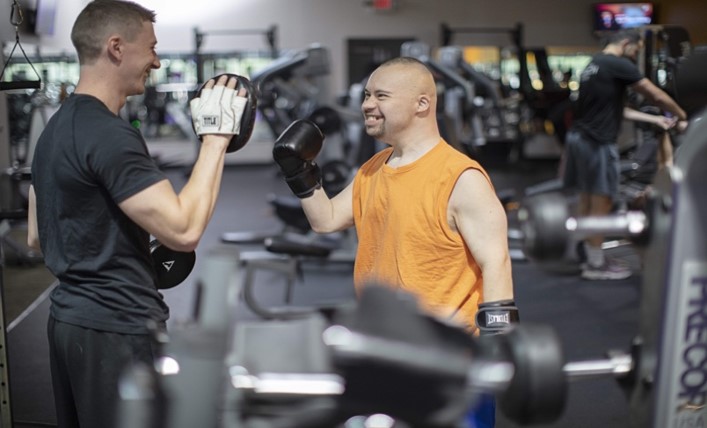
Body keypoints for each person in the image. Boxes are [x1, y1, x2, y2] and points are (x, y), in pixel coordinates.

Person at [26, 1, 250, 427]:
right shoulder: (109, 135)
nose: (157, 61)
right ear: (116, 47)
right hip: (116, 326)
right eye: (151, 48)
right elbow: (183, 231)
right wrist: (216, 139)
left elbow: (37, 236)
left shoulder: (55, 128)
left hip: (68, 324)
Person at [272, 57, 517, 428]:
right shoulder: (374, 168)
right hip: (383, 348)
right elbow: (325, 221)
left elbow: (496, 262)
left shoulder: (461, 177)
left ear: (422, 103)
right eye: (367, 95)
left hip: (446, 359)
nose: (368, 104)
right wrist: (300, 173)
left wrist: (498, 344)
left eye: (381, 95)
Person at [562, 29, 688, 281]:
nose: (636, 55)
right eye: (637, 50)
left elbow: (620, 111)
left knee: (587, 199)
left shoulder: (593, 64)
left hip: (580, 138)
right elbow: (656, 94)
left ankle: (589, 255)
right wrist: (682, 116)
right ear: (628, 44)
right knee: (602, 200)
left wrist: (654, 119)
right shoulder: (617, 64)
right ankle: (595, 265)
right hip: (597, 142)